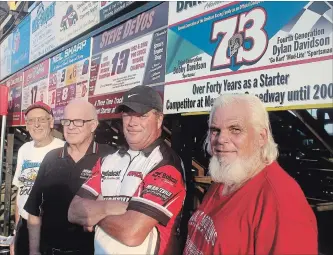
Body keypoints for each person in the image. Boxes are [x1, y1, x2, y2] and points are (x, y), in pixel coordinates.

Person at [183, 94, 318, 255]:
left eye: (235, 129)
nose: (221, 139)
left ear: (262, 137)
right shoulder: (227, 176)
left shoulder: (281, 201)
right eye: (215, 130)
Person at [68, 85, 186, 255]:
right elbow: (73, 211)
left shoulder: (166, 164)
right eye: (127, 114)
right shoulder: (108, 160)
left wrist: (95, 212)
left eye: (142, 115)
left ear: (159, 119)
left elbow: (132, 233)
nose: (132, 122)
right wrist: (113, 207)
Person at [24, 99, 115, 255]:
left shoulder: (111, 157)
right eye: (67, 121)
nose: (71, 126)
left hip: (92, 250)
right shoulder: (51, 158)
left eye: (78, 121)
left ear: (93, 125)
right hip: (50, 250)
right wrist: (34, 251)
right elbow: (34, 210)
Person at [11, 102, 64, 255]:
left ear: (51, 122)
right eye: (31, 121)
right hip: (24, 225)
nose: (37, 125)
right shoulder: (24, 150)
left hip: (50, 226)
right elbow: (20, 191)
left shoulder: (63, 149)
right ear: (26, 125)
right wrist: (16, 233)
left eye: (41, 119)